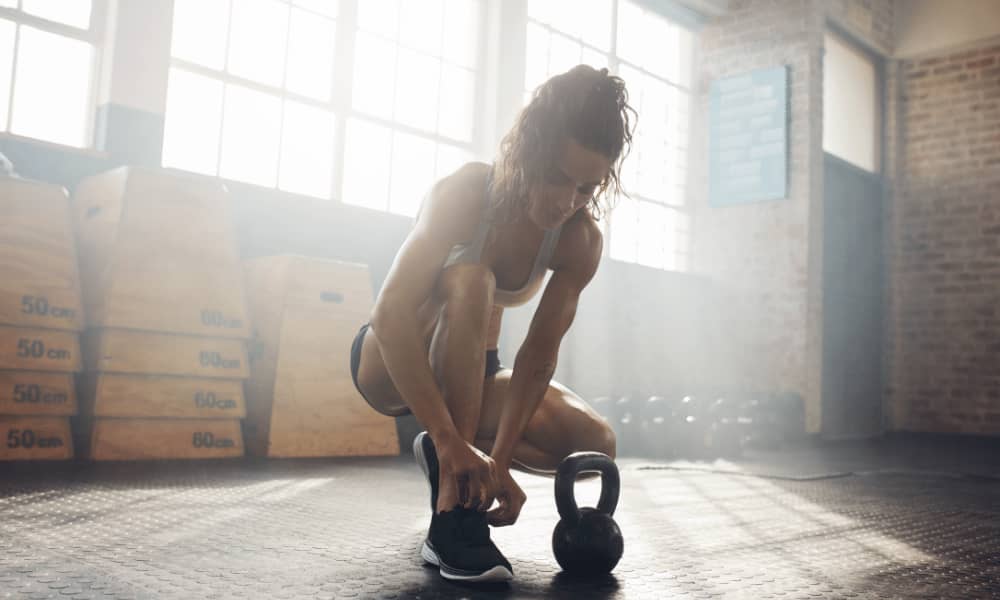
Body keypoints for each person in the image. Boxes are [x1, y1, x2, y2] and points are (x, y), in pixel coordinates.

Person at [349, 64, 636, 582]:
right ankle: (453, 520)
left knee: (592, 441)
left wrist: (499, 461)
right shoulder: (466, 192)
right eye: (557, 178)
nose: (566, 201)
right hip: (390, 358)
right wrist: (445, 436)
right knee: (472, 279)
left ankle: (453, 460)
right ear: (530, 152)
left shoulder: (581, 240)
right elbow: (388, 314)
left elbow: (537, 357)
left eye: (586, 188)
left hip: (472, 373)